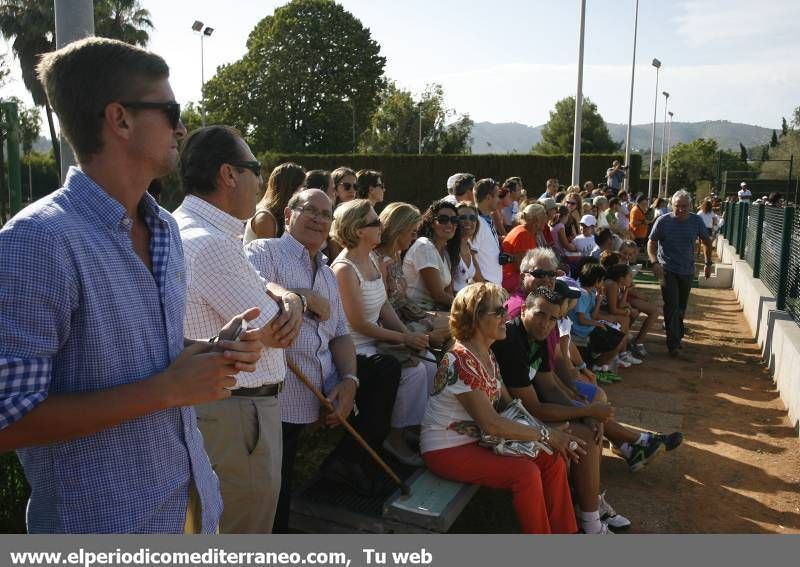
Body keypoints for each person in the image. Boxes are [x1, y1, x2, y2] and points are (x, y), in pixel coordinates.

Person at [0, 37, 265, 534]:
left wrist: (207, 351)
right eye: (170, 110)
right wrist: (166, 390)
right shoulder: (37, 241)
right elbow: (8, 419)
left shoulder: (163, 227)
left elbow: (132, 353)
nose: (181, 127)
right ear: (120, 119)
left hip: (188, 506)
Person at [174, 125, 307, 533]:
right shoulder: (213, 243)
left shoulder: (187, 227)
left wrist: (285, 294)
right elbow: (276, 328)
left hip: (222, 411)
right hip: (238, 415)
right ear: (228, 175)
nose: (261, 181)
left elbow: (259, 290)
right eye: (255, 168)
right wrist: (294, 303)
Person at [245, 188, 398, 527]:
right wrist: (305, 297)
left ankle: (352, 464)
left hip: (326, 385)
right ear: (288, 214)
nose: (317, 218)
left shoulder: (328, 272)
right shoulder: (264, 251)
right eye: (308, 210)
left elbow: (342, 334)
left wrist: (349, 381)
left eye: (325, 214)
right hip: (284, 396)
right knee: (276, 498)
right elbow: (253, 292)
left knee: (385, 370)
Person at [421, 284, 583, 534]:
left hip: (478, 441)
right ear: (475, 317)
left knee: (552, 459)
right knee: (525, 473)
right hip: (446, 449)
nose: (507, 317)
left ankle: (565, 533)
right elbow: (492, 424)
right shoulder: (461, 360)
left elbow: (509, 405)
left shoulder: (486, 354)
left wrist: (546, 431)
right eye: (498, 312)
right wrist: (547, 434)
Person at [491, 286, 626, 534]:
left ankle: (589, 506)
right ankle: (591, 523)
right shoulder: (511, 341)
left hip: (522, 413)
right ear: (523, 310)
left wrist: (587, 412)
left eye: (552, 318)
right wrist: (587, 412)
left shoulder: (538, 337)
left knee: (590, 427)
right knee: (584, 436)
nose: (545, 324)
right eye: (540, 314)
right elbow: (535, 408)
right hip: (505, 417)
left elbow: (550, 386)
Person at [332, 199, 435, 466]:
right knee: (413, 373)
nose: (381, 226)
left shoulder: (373, 260)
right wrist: (404, 338)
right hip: (355, 347)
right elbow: (358, 324)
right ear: (357, 230)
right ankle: (394, 437)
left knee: (431, 363)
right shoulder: (344, 269)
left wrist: (408, 336)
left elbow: (384, 304)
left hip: (377, 339)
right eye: (375, 222)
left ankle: (412, 428)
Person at [375, 202, 451, 346]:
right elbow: (383, 311)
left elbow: (403, 301)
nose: (414, 237)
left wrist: (426, 317)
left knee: (461, 321)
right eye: (412, 232)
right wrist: (425, 334)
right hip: (395, 326)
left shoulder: (396, 255)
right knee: (460, 325)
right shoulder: (379, 261)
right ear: (399, 230)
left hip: (408, 316)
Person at [649, 189, 713, 359]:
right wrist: (654, 262)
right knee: (672, 305)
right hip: (667, 269)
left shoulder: (696, 221)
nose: (681, 210)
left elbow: (707, 241)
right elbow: (652, 242)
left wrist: (708, 264)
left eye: (685, 206)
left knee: (681, 307)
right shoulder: (663, 221)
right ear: (672, 205)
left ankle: (676, 332)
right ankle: (674, 345)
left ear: (690, 206)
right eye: (678, 206)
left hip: (687, 270)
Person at [402, 200, 460, 310]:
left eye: (454, 220)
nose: (449, 224)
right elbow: (438, 295)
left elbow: (448, 293)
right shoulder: (424, 246)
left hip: (436, 310)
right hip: (417, 311)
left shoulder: (446, 252)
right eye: (443, 220)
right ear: (432, 223)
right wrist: (467, 307)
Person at [245, 162, 306, 242]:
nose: (305, 192)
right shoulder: (265, 218)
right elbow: (268, 253)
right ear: (290, 189)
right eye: (303, 187)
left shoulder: (283, 214)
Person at [501, 203, 546, 292]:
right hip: (511, 278)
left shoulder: (525, 231)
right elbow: (520, 267)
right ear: (536, 220)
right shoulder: (524, 235)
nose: (546, 221)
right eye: (544, 218)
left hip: (512, 276)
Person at [473, 178, 503, 285]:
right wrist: (483, 285)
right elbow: (470, 255)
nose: (499, 200)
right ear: (488, 197)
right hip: (486, 289)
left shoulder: (485, 219)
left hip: (493, 287)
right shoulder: (476, 222)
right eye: (497, 196)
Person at [453, 202, 485, 292]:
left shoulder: (469, 246)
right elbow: (448, 288)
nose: (468, 221)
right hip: (453, 302)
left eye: (472, 218)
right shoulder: (449, 247)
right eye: (462, 218)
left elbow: (480, 280)